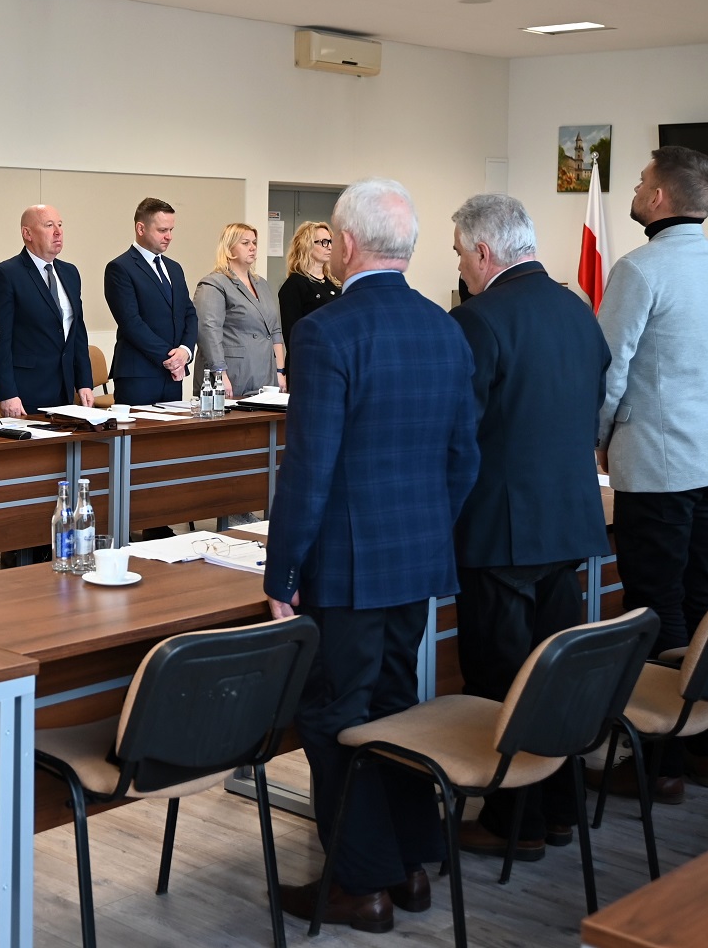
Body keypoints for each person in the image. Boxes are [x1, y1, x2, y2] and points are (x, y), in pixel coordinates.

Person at [266, 179, 479, 934]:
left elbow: (309, 467)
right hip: (416, 560)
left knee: (332, 715)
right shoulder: (446, 327)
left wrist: (282, 570)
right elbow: (464, 457)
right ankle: (412, 864)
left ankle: (362, 885)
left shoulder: (326, 331)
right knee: (394, 708)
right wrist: (428, 528)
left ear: (347, 245)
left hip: (346, 570)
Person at [447, 194, 610, 862]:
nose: (460, 268)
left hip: (500, 530)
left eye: (461, 255)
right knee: (551, 678)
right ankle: (559, 808)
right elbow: (594, 405)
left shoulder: (477, 319)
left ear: (484, 252)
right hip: (568, 522)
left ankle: (514, 821)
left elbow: (459, 432)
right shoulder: (578, 311)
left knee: (500, 681)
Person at [596, 146, 708, 793]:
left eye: (640, 181)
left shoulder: (639, 268)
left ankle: (661, 762)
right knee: (701, 597)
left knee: (655, 606)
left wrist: (598, 438)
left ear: (658, 197)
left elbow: (609, 369)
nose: (635, 189)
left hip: (658, 459)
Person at [0, 204, 94, 416]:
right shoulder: (6, 274)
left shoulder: (70, 272)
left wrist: (84, 382)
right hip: (25, 391)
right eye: (49, 225)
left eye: (60, 225)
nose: (58, 232)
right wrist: (6, 393)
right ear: (27, 233)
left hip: (65, 387)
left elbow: (77, 333)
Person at [104, 197, 197, 405]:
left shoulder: (174, 268)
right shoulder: (120, 268)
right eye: (162, 230)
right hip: (139, 374)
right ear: (141, 228)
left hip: (173, 375)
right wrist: (171, 359)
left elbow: (189, 314)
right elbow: (131, 323)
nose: (169, 236)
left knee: (173, 426)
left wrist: (185, 351)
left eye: (171, 230)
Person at [196, 222, 285, 399]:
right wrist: (219, 373)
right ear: (229, 248)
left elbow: (274, 329)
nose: (252, 247)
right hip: (233, 373)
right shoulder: (214, 284)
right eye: (245, 243)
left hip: (265, 373)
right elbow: (208, 331)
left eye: (254, 243)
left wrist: (280, 371)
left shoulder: (261, 284)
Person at [276, 220, 339, 378]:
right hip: (308, 365)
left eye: (330, 241)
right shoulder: (294, 285)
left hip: (335, 362)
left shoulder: (335, 283)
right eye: (323, 242)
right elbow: (292, 335)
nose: (329, 247)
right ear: (307, 245)